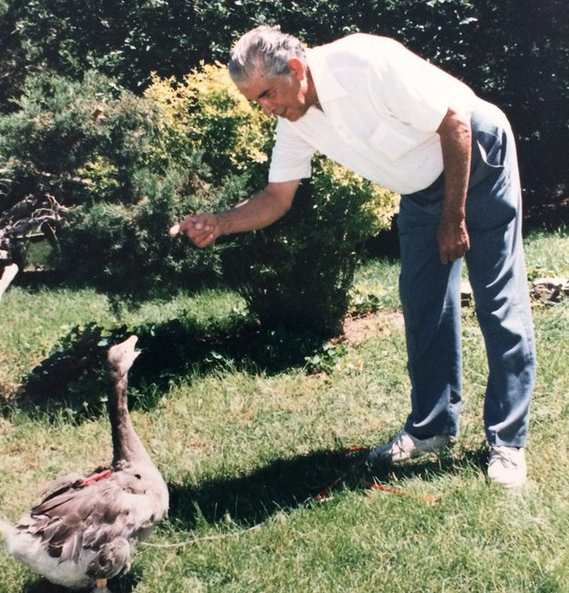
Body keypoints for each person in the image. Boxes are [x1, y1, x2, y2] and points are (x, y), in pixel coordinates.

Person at [171, 26, 536, 488]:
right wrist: (221, 223)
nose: (265, 109)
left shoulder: (365, 62)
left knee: (497, 301)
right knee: (423, 304)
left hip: (477, 156)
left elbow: (455, 124)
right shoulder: (295, 118)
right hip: (422, 190)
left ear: (297, 69)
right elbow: (276, 198)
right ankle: (431, 428)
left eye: (267, 94)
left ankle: (507, 443)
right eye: (255, 101)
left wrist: (454, 216)